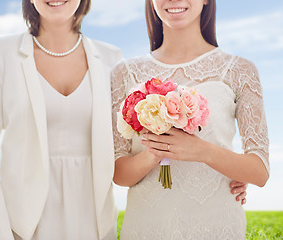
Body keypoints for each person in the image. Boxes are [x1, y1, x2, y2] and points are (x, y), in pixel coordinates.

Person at [111, 0, 269, 239]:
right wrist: (153, 154)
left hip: (217, 224)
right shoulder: (124, 73)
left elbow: (260, 171)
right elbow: (117, 173)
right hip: (147, 225)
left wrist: (201, 150)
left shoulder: (240, 70)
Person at [0, 0, 122, 239]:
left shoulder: (112, 59)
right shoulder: (1, 53)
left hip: (95, 226)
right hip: (24, 227)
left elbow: (125, 147)